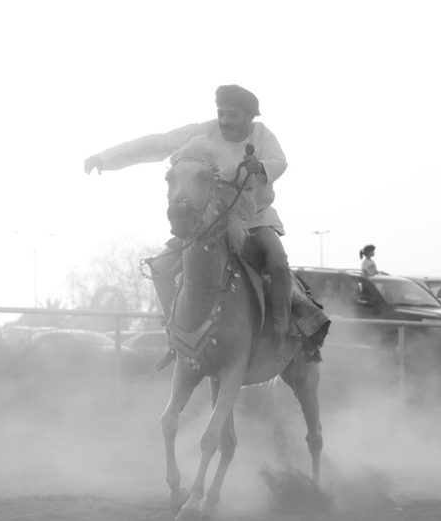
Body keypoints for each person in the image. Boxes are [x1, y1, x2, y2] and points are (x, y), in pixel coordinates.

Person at [83, 85, 295, 360]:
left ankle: (280, 331)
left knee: (278, 263)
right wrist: (104, 158)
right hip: (209, 225)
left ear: (249, 117)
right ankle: (176, 331)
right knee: (159, 267)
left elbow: (279, 161)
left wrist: (262, 166)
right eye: (221, 113)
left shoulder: (263, 136)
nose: (224, 121)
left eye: (232, 115)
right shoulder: (201, 133)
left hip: (254, 220)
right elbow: (157, 144)